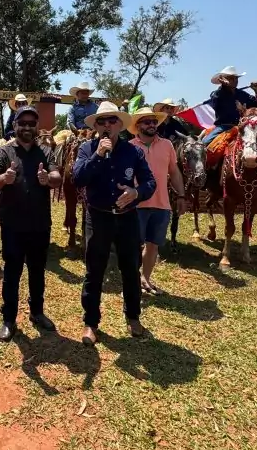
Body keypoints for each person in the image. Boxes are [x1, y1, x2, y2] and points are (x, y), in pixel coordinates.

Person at [72, 101, 156, 345]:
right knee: (94, 270)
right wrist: (98, 156)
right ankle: (91, 322)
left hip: (127, 218)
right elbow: (78, 178)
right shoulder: (87, 149)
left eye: (111, 120)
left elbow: (150, 182)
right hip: (97, 217)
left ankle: (133, 317)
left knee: (130, 269)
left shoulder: (133, 152)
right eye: (101, 121)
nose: (106, 125)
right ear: (96, 126)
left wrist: (136, 193)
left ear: (120, 124)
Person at [0, 106, 62, 341]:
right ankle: (9, 318)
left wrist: (47, 179)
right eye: (23, 123)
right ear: (15, 126)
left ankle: (37, 312)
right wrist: (4, 179)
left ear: (37, 127)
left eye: (32, 123)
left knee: (37, 271)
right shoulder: (3, 152)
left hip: (40, 223)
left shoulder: (46, 152)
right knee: (12, 272)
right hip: (12, 224)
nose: (27, 127)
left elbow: (58, 177)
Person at [129, 108, 187, 294]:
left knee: (153, 245)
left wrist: (181, 195)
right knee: (133, 247)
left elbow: (174, 171)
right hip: (136, 204)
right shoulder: (129, 147)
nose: (152, 125)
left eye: (154, 122)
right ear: (138, 126)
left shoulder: (167, 145)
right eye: (147, 122)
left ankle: (145, 279)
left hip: (162, 204)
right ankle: (132, 283)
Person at [203, 66, 257, 145]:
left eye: (236, 78)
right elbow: (214, 102)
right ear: (223, 80)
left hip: (244, 127)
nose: (235, 80)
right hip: (223, 128)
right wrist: (224, 88)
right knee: (204, 143)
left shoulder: (242, 94)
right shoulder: (217, 94)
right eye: (231, 78)